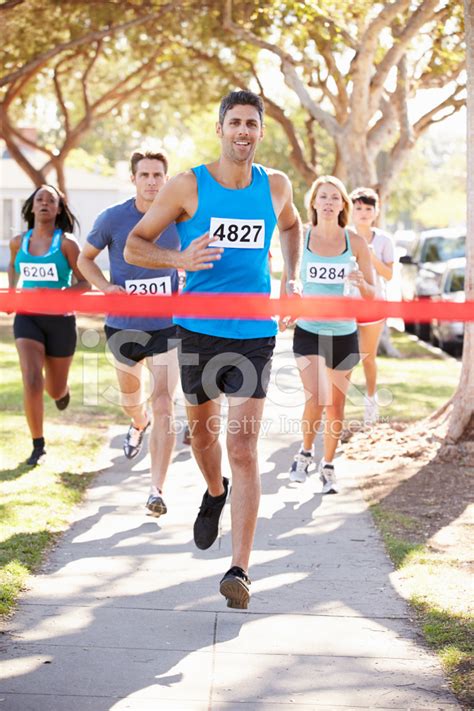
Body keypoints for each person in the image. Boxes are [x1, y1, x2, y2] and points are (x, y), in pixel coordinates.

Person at [125, 89, 302, 609]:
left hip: (254, 334)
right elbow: (137, 244)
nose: (243, 132)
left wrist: (290, 280)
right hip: (199, 332)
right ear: (220, 128)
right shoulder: (187, 185)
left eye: (252, 123)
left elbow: (291, 225)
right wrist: (180, 258)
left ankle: (240, 570)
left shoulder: (276, 185)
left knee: (244, 448)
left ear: (261, 132)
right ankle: (215, 492)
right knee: (205, 439)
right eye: (235, 123)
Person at [77, 150, 180, 518]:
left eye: (158, 175)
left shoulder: (179, 218)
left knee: (165, 401)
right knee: (132, 401)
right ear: (134, 179)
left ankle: (156, 490)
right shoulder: (113, 218)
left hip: (167, 325)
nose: (152, 181)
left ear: (166, 179)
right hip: (123, 324)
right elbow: (84, 258)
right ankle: (138, 424)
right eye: (145, 175)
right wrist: (105, 287)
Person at [282, 176, 375, 493]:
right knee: (317, 397)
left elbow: (373, 294)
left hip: (344, 332)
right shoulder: (302, 239)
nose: (329, 202)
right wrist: (288, 306)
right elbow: (290, 283)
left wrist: (361, 283)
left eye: (335, 197)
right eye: (323, 196)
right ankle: (305, 453)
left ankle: (329, 465)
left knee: (336, 405)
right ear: (313, 203)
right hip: (309, 330)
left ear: (343, 204)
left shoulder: (356, 243)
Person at [7, 184, 89, 466]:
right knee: (31, 378)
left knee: (53, 389)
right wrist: (12, 293)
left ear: (58, 209)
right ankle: (38, 444)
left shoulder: (66, 244)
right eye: (39, 199)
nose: (44, 204)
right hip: (27, 317)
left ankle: (62, 392)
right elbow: (13, 266)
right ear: (31, 207)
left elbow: (84, 282)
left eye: (50, 200)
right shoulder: (19, 242)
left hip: (60, 321)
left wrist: (59, 296)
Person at [350, 187, 395, 424]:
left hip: (374, 305)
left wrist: (369, 256)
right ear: (351, 211)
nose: (363, 213)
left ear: (376, 212)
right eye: (358, 208)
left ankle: (370, 401)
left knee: (368, 356)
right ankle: (333, 405)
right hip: (346, 306)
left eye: (368, 209)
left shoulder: (384, 240)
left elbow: (388, 275)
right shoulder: (343, 235)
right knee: (341, 357)